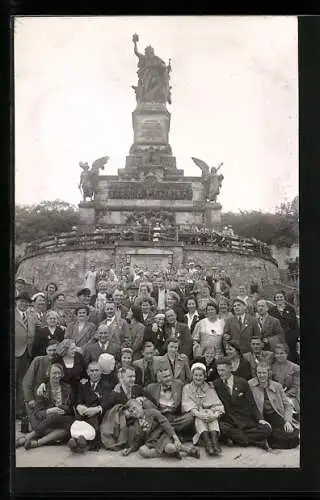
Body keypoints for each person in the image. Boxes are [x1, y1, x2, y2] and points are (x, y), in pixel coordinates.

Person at [214, 358, 271, 449]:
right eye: (218, 370)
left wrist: (260, 419)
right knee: (220, 428)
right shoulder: (216, 384)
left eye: (222, 370)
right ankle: (255, 442)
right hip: (228, 422)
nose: (220, 373)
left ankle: (237, 439)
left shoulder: (242, 382)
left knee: (266, 429)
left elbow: (251, 403)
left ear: (230, 368)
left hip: (244, 420)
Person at [121, 398, 200, 460]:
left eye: (135, 408)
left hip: (163, 436)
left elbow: (165, 423)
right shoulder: (136, 423)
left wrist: (175, 438)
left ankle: (188, 450)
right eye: (131, 411)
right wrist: (129, 450)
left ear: (140, 406)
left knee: (170, 448)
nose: (134, 412)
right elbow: (138, 439)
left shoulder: (152, 412)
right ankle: (170, 454)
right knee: (142, 451)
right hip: (151, 441)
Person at [249, 363, 299, 449]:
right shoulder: (250, 384)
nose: (261, 375)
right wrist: (258, 419)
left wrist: (287, 421)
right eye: (259, 373)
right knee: (270, 434)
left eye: (264, 373)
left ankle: (270, 440)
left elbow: (287, 406)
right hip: (261, 416)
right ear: (256, 373)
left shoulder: (277, 386)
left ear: (269, 373)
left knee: (292, 436)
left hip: (276, 414)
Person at [24, 363, 74, 450]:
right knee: (61, 427)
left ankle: (34, 441)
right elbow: (38, 414)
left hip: (62, 420)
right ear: (48, 374)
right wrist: (51, 410)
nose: (57, 375)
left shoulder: (67, 387)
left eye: (59, 373)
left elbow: (70, 407)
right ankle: (34, 440)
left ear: (62, 374)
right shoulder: (42, 390)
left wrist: (62, 409)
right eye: (54, 373)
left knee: (67, 426)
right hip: (47, 423)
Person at [182, 363, 224, 456]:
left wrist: (214, 415)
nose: (198, 377)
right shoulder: (187, 388)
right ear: (192, 376)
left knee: (209, 412)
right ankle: (208, 443)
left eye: (200, 375)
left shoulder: (209, 387)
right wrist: (199, 413)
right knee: (199, 414)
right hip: (194, 419)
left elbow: (217, 404)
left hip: (209, 417)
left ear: (204, 376)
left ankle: (215, 442)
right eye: (196, 375)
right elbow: (187, 405)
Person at [70, 361, 112, 452]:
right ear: (88, 372)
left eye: (97, 370)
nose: (94, 373)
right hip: (84, 412)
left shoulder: (106, 385)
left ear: (101, 371)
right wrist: (79, 406)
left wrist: (95, 409)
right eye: (92, 371)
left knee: (93, 420)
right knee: (79, 419)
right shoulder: (83, 384)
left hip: (97, 413)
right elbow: (78, 400)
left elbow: (106, 403)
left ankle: (83, 441)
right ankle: (76, 440)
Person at [146, 366, 194, 437]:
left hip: (176, 417)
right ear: (159, 379)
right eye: (165, 377)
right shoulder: (151, 388)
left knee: (190, 417)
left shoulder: (179, 384)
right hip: (161, 417)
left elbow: (190, 386)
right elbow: (141, 392)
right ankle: (171, 430)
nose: (169, 378)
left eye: (169, 375)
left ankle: (166, 429)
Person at [15, 292, 36, 419]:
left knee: (23, 382)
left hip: (27, 353)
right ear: (17, 302)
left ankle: (19, 411)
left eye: (25, 302)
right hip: (15, 353)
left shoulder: (30, 316)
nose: (23, 304)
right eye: (21, 301)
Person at [23, 340, 60, 407]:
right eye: (49, 350)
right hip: (36, 399)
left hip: (52, 400)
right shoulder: (38, 360)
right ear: (46, 350)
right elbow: (28, 380)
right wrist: (30, 399)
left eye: (54, 350)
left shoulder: (59, 363)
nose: (52, 353)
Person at [268, 292, 299, 363]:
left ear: (284, 298)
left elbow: (295, 324)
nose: (279, 299)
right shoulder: (271, 311)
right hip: (278, 338)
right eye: (277, 297)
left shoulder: (291, 309)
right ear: (275, 300)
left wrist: (296, 337)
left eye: (281, 297)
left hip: (290, 337)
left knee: (292, 355)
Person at [271, 343, 300, 415]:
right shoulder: (271, 367)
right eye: (277, 353)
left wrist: (284, 396)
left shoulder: (295, 367)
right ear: (274, 355)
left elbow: (296, 387)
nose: (279, 355)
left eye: (282, 353)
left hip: (290, 396)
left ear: (287, 354)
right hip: (274, 396)